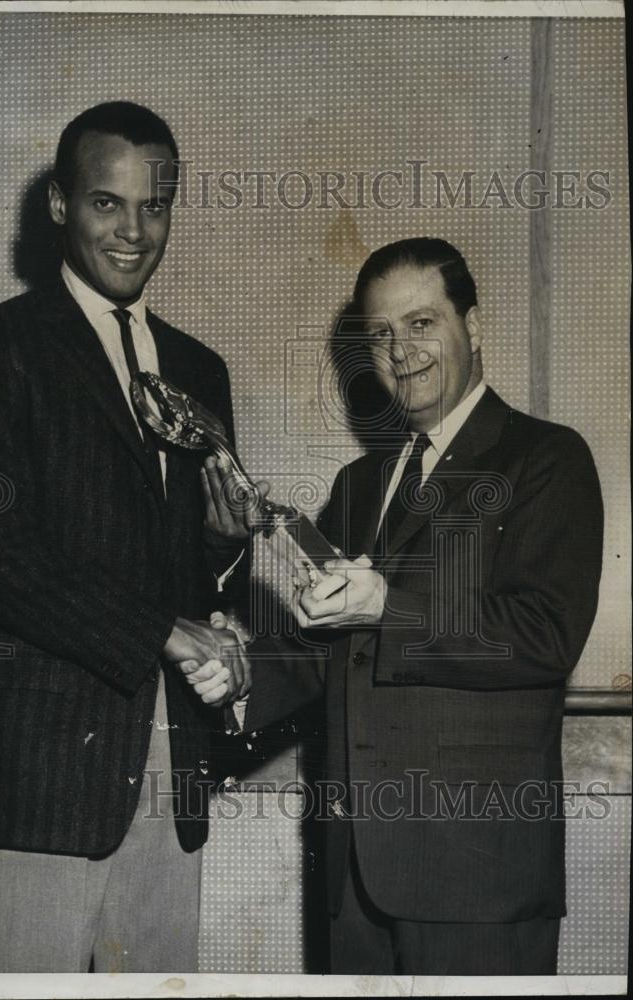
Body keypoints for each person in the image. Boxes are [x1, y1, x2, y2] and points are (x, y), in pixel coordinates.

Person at [208, 237, 604, 974]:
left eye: (422, 323)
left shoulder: (545, 459)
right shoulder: (360, 484)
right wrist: (237, 677)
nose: (401, 350)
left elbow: (542, 635)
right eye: (381, 334)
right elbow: (327, 646)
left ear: (474, 326)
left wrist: (388, 602)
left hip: (478, 883)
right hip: (354, 878)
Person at [0, 101, 251, 973]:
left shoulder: (198, 369)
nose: (134, 230)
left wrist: (221, 550)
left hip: (169, 768)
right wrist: (160, 630)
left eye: (156, 205)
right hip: (42, 778)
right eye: (108, 203)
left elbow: (187, 579)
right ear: (61, 206)